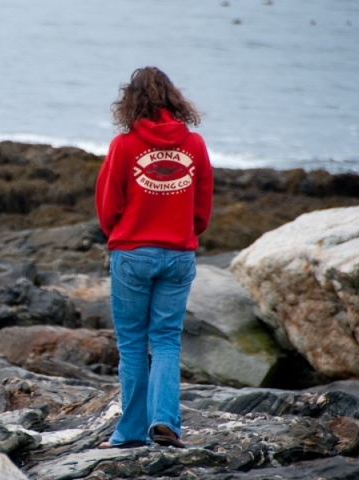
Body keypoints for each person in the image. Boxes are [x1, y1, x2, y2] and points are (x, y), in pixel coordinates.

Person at [95, 66, 213, 449]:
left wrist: (121, 231)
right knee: (165, 341)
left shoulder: (124, 145)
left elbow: (107, 206)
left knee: (132, 345)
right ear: (173, 98)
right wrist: (185, 230)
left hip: (132, 254)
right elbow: (202, 208)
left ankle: (130, 432)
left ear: (131, 102)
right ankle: (164, 422)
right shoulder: (194, 145)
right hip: (178, 256)